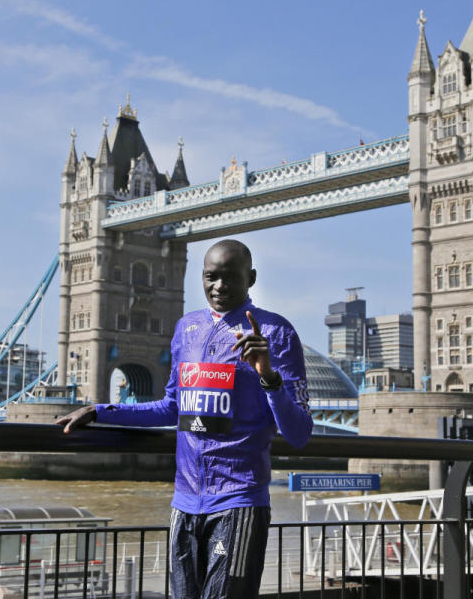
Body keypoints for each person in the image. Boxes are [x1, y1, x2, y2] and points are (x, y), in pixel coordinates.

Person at [56, 239, 312, 598]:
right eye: (211, 277)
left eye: (230, 278)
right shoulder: (186, 329)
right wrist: (101, 411)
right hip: (184, 502)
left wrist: (268, 376)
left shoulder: (276, 334)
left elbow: (300, 432)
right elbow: (171, 408)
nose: (219, 286)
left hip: (238, 502)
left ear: (250, 278)